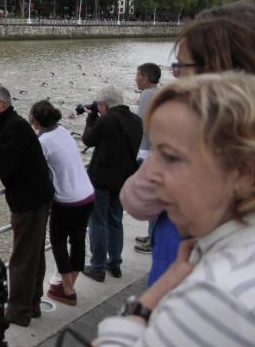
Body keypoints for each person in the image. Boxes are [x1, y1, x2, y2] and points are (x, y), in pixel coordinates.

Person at [96, 72, 255, 346]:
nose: (151, 175)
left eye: (171, 157)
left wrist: (143, 308)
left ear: (246, 173)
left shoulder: (217, 300)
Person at [120, 0, 255, 285]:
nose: (176, 75)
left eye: (180, 65)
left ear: (210, 69)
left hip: (186, 281)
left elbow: (135, 200)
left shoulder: (193, 132)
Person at [0, 86, 54, 326]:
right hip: (36, 197)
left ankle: (18, 312)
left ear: (2, 104)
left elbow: (1, 167)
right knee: (33, 254)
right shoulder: (8, 125)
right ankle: (32, 304)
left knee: (22, 258)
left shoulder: (13, 128)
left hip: (30, 201)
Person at [29, 100, 94, 307]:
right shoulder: (63, 131)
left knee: (58, 242)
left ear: (36, 120)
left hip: (68, 200)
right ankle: (69, 285)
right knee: (78, 239)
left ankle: (67, 289)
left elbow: (36, 171)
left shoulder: (43, 141)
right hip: (87, 193)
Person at [81, 86, 143, 282]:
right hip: (124, 180)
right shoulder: (137, 121)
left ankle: (97, 267)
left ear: (104, 105)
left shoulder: (106, 120)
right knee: (115, 221)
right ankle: (115, 263)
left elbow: (88, 139)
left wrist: (91, 118)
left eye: (99, 106)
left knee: (98, 223)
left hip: (101, 180)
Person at [132, 63, 161, 254]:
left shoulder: (147, 96)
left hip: (147, 151)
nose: (135, 79)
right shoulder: (160, 93)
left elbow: (140, 126)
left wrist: (138, 153)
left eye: (138, 75)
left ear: (146, 78)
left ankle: (153, 239)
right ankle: (153, 234)